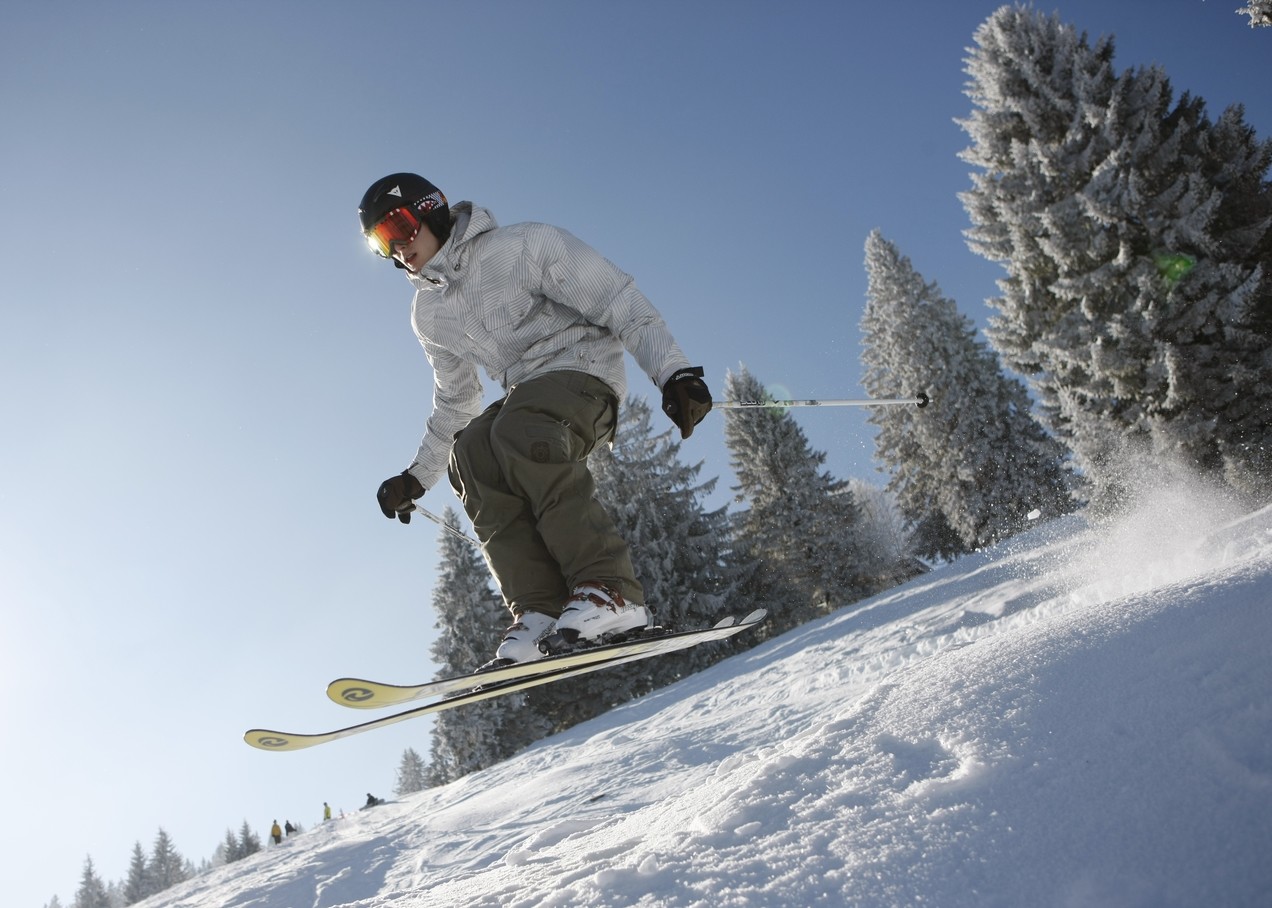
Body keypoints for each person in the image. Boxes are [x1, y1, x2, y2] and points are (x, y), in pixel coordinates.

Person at [359, 173, 712, 668]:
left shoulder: (523, 245)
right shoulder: (429, 312)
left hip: (584, 373)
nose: (395, 248)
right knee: (473, 452)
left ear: (431, 208)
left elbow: (616, 298)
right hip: (526, 397)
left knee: (517, 429)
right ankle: (541, 610)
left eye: (397, 227)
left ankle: (612, 592)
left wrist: (673, 371)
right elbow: (456, 399)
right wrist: (416, 477)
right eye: (379, 243)